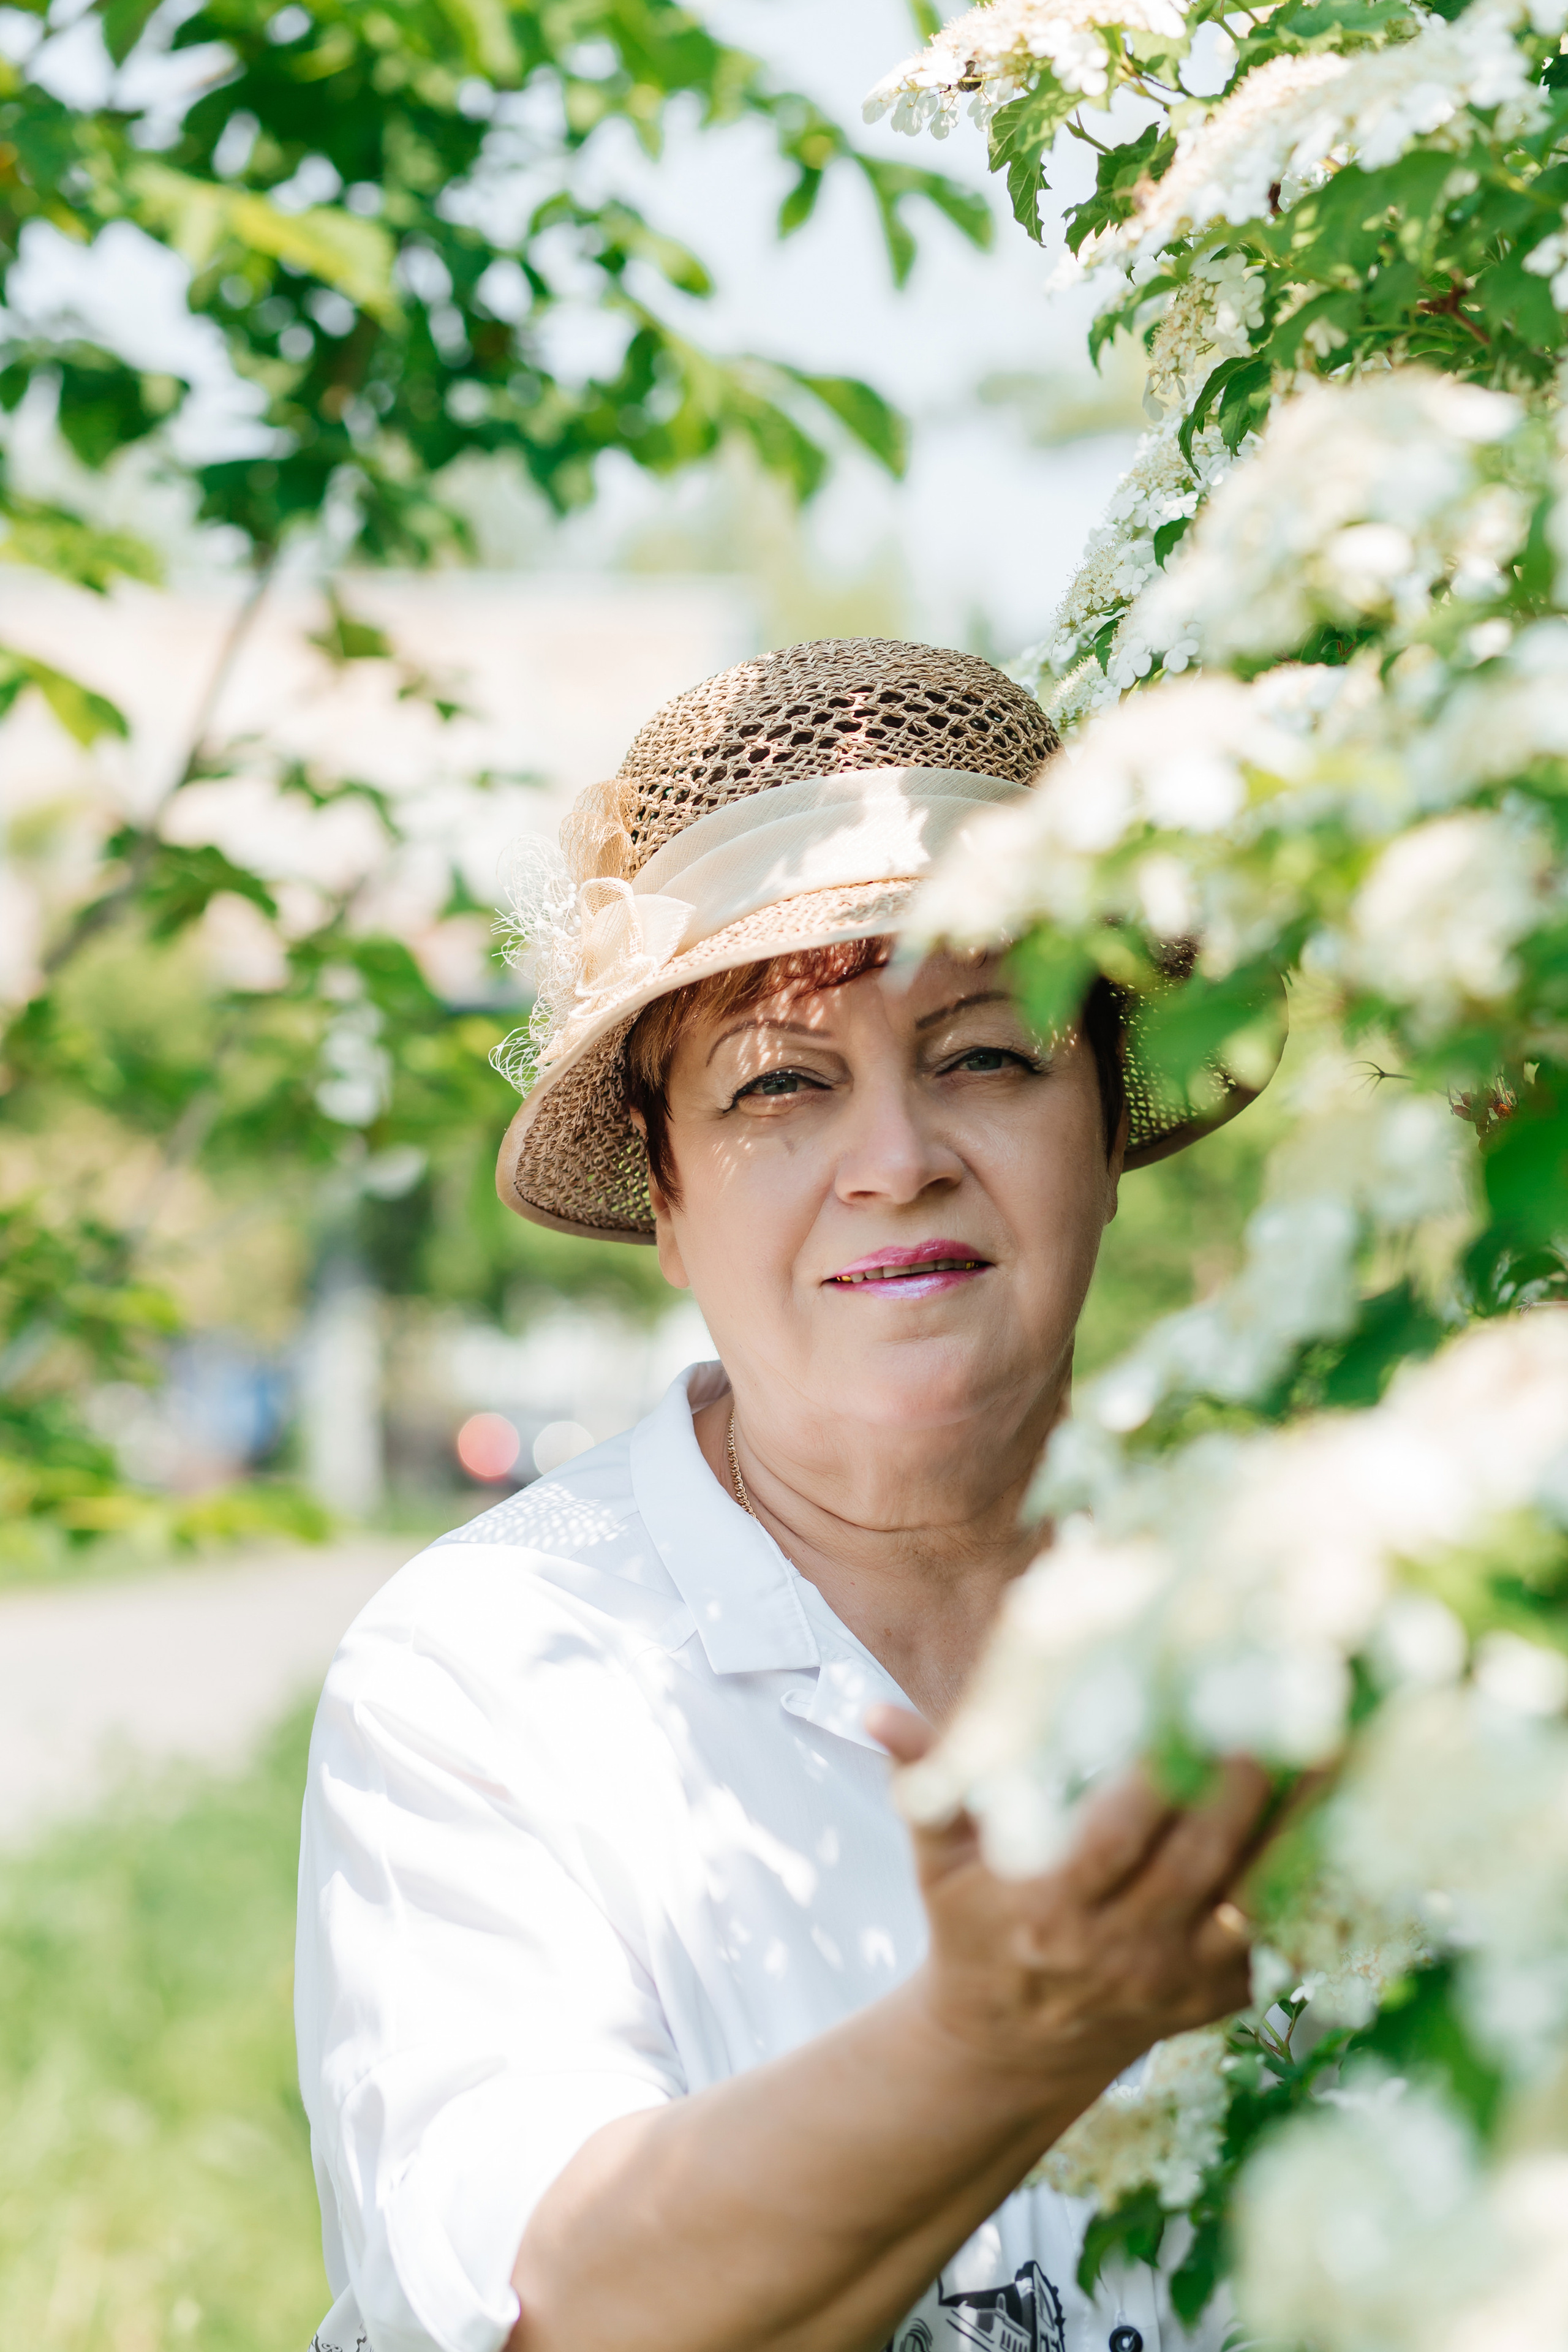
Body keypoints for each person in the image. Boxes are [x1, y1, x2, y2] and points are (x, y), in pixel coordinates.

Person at [296, 638, 1283, 2352]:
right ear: (665, 1199)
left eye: (986, 1053)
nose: (896, 1157)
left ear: (1108, 1124)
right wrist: (1000, 2043)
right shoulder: (489, 1673)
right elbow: (555, 2311)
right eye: (779, 1082)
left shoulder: (1314, 1602)